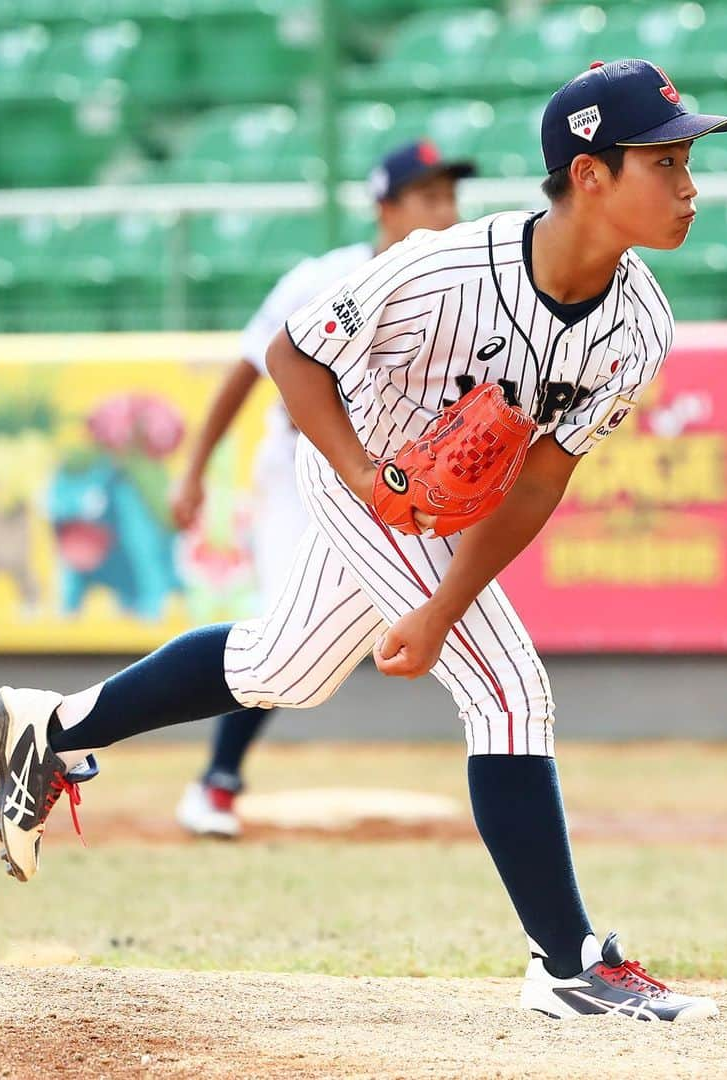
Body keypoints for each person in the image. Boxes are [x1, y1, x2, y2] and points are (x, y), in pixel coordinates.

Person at [0, 59, 727, 1023]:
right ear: (589, 174)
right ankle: (566, 961)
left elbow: (542, 480)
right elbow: (291, 355)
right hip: (356, 465)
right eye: (665, 161)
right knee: (509, 691)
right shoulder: (445, 267)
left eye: (688, 161)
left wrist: (439, 608)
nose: (689, 187)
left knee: (281, 668)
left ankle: (50, 729)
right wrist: (361, 474)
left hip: (435, 514)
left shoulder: (638, 327)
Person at [169, 141, 475, 837]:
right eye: (429, 196)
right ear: (386, 208)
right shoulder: (323, 279)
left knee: (429, 620)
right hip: (300, 474)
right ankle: (216, 782)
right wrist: (193, 471)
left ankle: (504, 755)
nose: (446, 211)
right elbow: (250, 369)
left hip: (390, 487)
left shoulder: (465, 288)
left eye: (451, 196)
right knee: (283, 629)